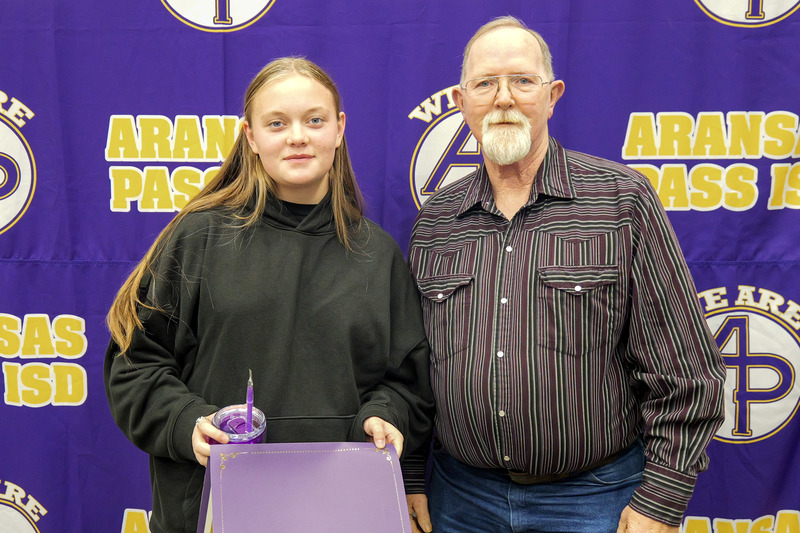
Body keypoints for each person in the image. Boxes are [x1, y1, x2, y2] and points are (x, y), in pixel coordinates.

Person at [406, 16, 727, 533]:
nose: (504, 98)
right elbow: (416, 370)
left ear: (552, 95)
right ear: (462, 102)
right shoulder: (437, 221)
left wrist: (662, 498)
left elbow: (687, 372)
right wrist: (414, 473)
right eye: (485, 83)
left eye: (522, 81)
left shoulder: (621, 199)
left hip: (594, 499)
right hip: (459, 500)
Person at [104, 57, 434, 533]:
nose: (297, 136)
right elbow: (134, 364)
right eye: (277, 123)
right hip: (214, 509)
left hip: (340, 511)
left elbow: (407, 383)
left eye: (314, 120)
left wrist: (384, 415)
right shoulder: (199, 236)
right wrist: (185, 421)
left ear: (339, 129)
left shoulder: (377, 254)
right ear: (251, 137)